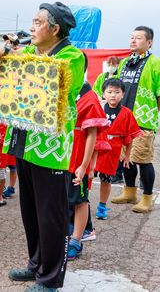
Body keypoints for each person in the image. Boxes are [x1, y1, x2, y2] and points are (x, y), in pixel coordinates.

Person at [0, 2, 84, 291]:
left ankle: (50, 279)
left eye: (38, 22)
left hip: (51, 150)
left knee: (51, 218)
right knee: (31, 213)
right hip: (24, 143)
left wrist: (6, 52)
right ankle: (36, 265)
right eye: (32, 22)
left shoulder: (72, 56)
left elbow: (45, 76)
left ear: (55, 28)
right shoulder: (31, 53)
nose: (31, 27)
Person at [112, 26, 160, 213]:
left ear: (149, 43)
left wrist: (154, 115)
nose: (133, 41)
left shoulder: (155, 63)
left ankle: (147, 197)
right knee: (126, 159)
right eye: (132, 37)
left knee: (143, 159)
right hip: (124, 119)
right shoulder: (125, 63)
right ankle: (129, 192)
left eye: (138, 38)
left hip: (143, 120)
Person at [66, 77, 109, 261]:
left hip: (77, 161)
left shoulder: (89, 97)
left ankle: (76, 241)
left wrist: (85, 166)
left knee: (79, 200)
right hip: (60, 158)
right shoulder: (64, 91)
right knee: (65, 199)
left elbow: (93, 135)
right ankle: (68, 235)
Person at [94, 78, 142, 220]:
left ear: (123, 94)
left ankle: (102, 206)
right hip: (94, 150)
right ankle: (81, 204)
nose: (113, 95)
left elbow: (129, 137)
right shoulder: (98, 108)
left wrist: (127, 156)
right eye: (109, 92)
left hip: (111, 152)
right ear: (103, 94)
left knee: (106, 180)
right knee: (86, 178)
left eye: (117, 92)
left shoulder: (126, 113)